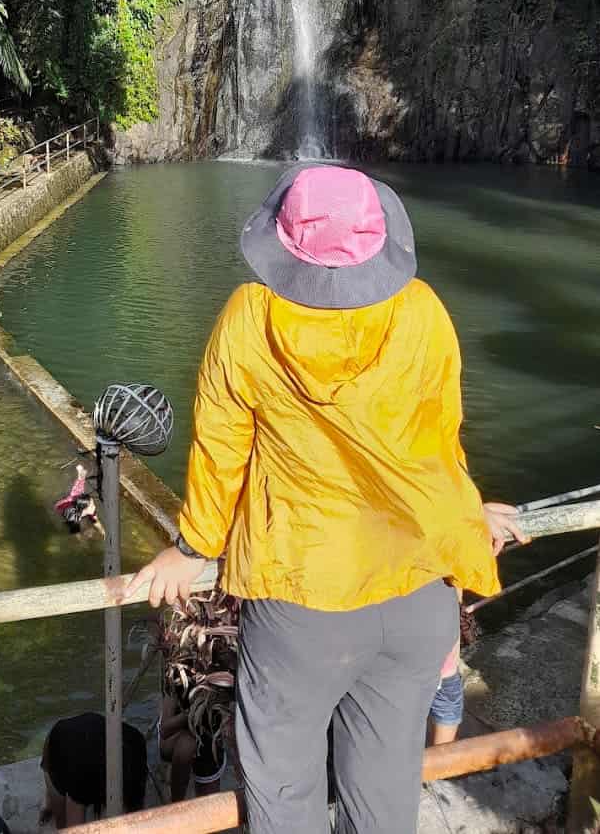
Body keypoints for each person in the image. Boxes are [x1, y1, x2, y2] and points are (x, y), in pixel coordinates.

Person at [126, 162, 527, 834]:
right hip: (417, 591)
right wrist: (467, 509)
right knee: (384, 798)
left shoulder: (251, 317)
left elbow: (221, 451)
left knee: (284, 800)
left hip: (303, 605)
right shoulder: (421, 308)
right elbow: (438, 436)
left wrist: (191, 547)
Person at [40, 712, 147, 828]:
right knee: (62, 823)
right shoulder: (81, 776)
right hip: (59, 740)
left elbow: (135, 817)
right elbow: (73, 827)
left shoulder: (137, 751)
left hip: (92, 731)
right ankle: (47, 801)